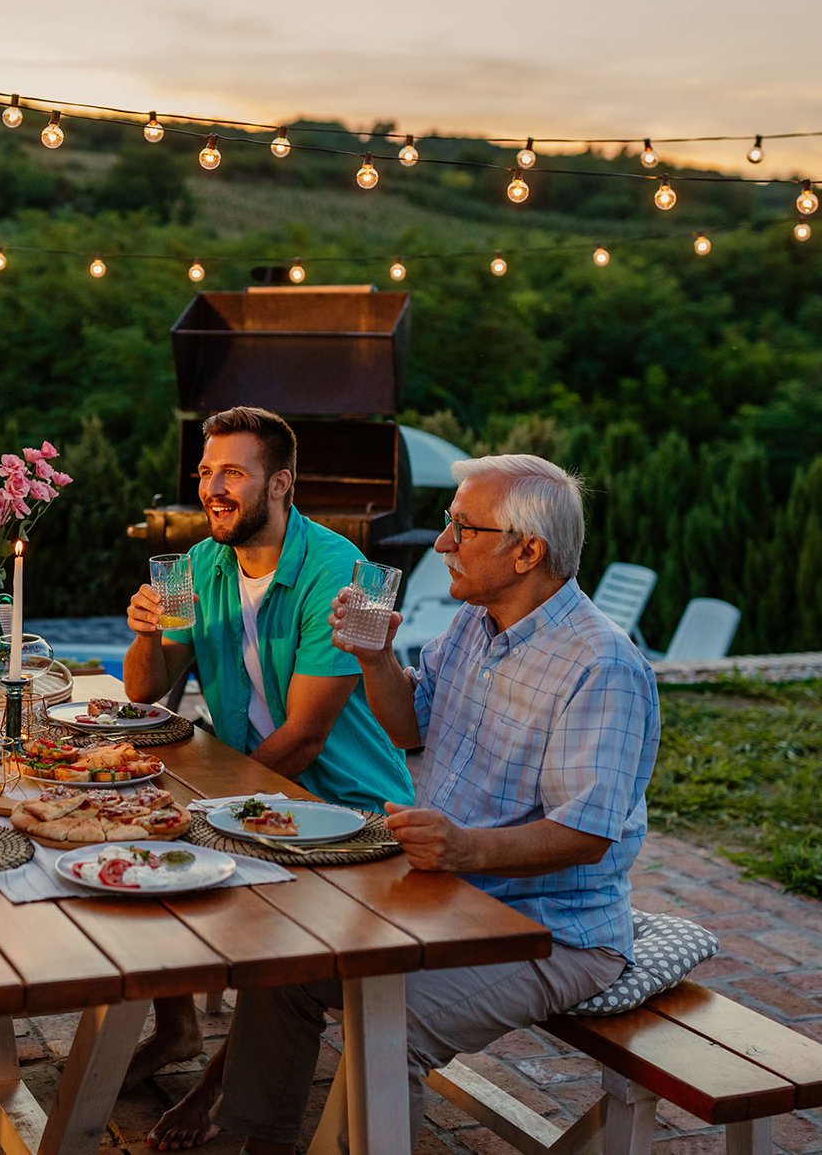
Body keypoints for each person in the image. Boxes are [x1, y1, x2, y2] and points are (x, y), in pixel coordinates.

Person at [210, 453, 661, 1153]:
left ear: (526, 551)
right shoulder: (475, 625)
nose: (441, 541)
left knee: (390, 1029)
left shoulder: (601, 664)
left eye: (460, 527)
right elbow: (409, 725)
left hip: (554, 930)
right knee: (286, 962)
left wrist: (468, 847)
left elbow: (588, 832)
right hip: (450, 895)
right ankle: (257, 1141)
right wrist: (375, 657)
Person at [122, 406, 414, 1148]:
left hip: (346, 806)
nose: (212, 488)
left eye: (233, 473)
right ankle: (178, 1023)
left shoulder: (339, 573)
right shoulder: (197, 565)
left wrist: (208, 805)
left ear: (280, 483)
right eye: (205, 472)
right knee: (133, 838)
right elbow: (146, 691)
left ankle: (224, 1093)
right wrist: (146, 635)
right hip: (252, 781)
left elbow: (308, 734)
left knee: (211, 875)